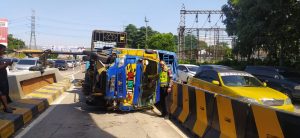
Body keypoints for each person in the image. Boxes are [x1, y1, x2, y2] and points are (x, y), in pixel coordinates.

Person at [0, 44, 15, 113]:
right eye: (3, 50)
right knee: (2, 93)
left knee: (5, 92)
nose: (4, 51)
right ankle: (6, 107)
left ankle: (6, 106)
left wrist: (8, 64)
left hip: (3, 77)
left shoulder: (1, 57)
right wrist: (6, 64)